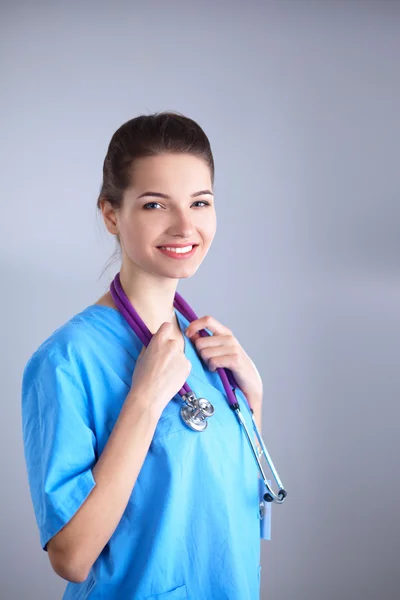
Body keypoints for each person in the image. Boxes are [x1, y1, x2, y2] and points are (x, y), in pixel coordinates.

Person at [21, 111, 268, 600]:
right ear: (112, 214)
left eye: (200, 202)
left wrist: (254, 402)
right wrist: (144, 401)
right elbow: (70, 557)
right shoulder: (66, 361)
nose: (184, 225)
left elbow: (227, 511)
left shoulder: (208, 350)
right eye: (156, 204)